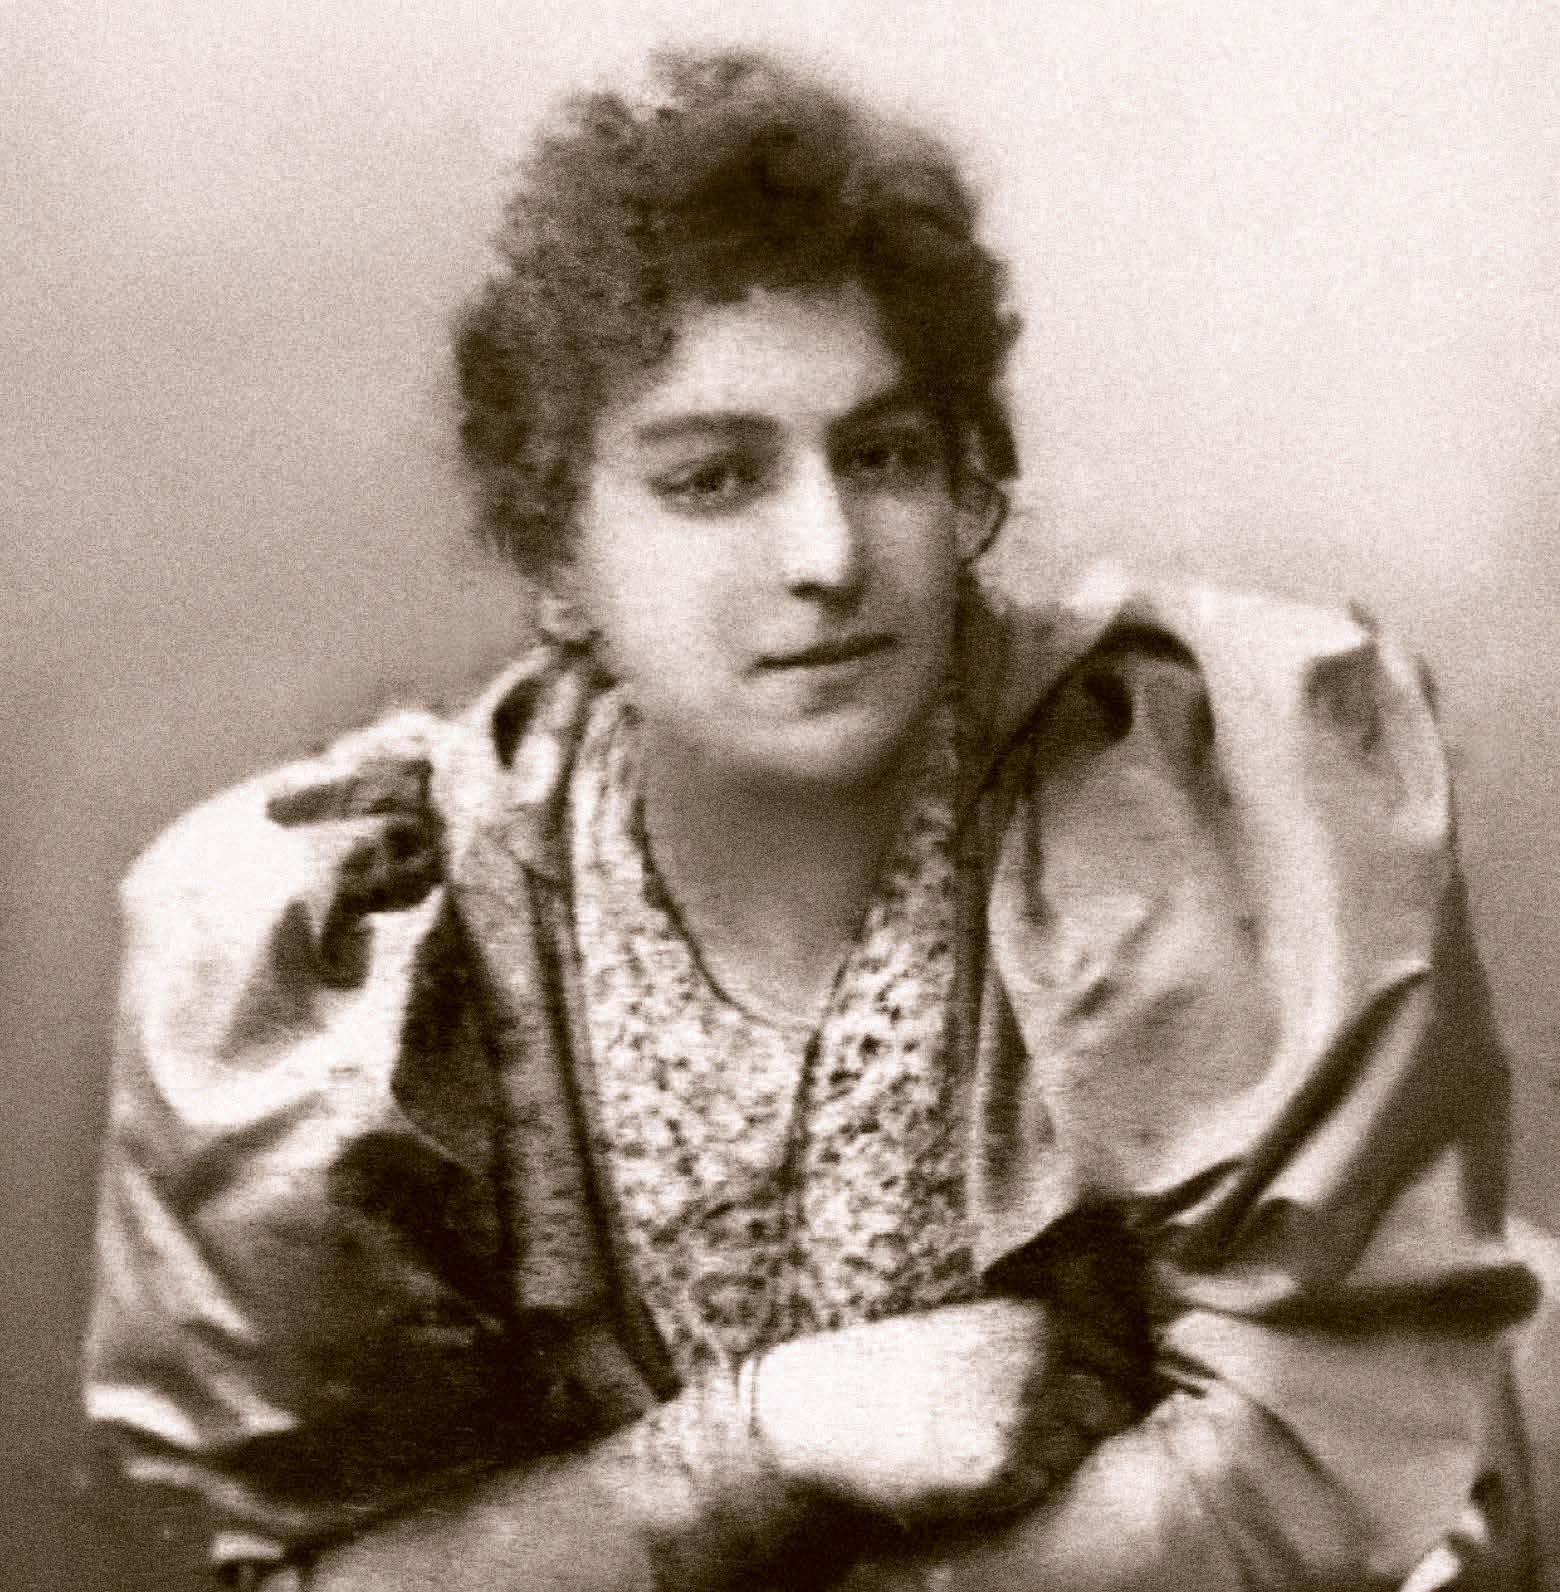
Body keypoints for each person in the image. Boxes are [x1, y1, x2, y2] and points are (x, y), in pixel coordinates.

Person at [84, 46, 1542, 1592]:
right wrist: (759, 1440)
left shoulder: (1181, 805)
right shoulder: (363, 941)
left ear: (965, 480)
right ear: (557, 552)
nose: (829, 553)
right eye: (714, 480)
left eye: (886, 456)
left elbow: (1341, 1475)